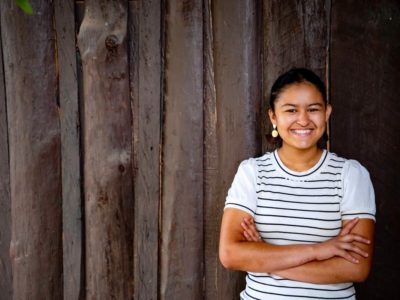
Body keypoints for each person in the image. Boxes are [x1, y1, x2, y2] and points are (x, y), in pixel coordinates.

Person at [219, 68, 376, 300]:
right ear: (273, 116)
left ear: (327, 113)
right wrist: (320, 250)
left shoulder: (351, 175)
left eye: (313, 109)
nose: (303, 120)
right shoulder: (252, 173)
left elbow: (356, 268)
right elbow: (231, 254)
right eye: (291, 110)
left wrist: (266, 260)